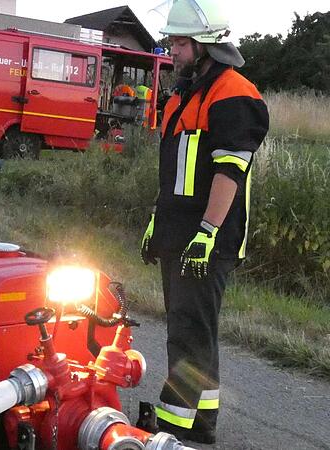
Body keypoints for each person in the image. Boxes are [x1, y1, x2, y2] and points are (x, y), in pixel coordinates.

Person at [139, 0, 269, 444]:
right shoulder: (183, 94)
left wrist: (206, 234)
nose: (171, 51)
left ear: (205, 45)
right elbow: (174, 172)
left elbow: (229, 171)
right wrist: (157, 222)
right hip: (179, 234)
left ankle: (174, 430)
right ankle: (201, 422)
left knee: (190, 333)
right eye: (172, 41)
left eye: (178, 43)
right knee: (190, 329)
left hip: (207, 239)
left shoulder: (234, 94)